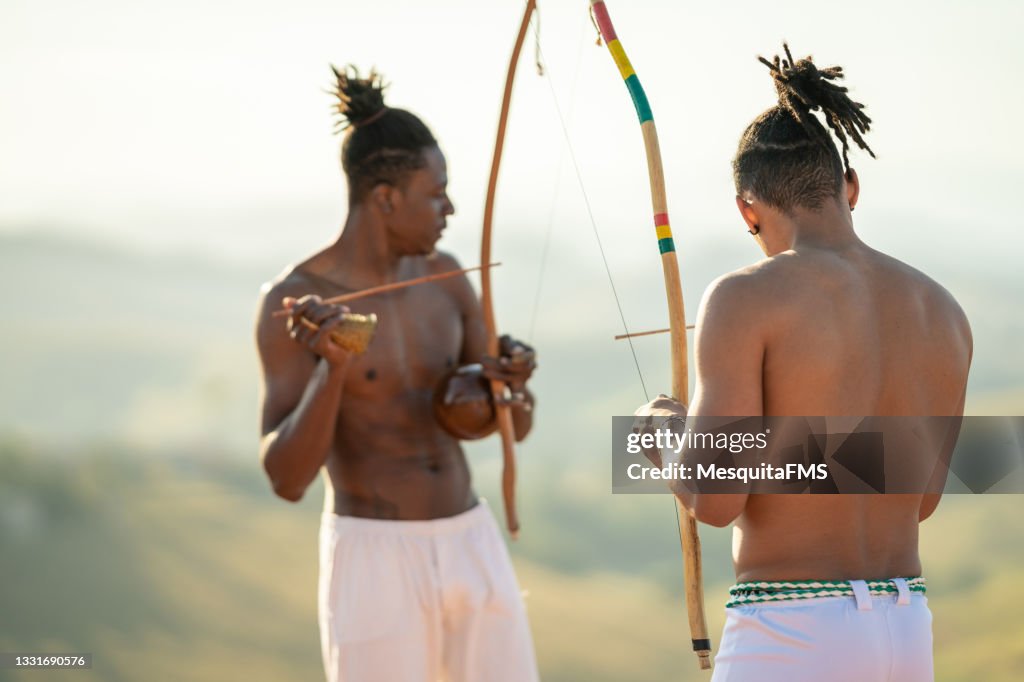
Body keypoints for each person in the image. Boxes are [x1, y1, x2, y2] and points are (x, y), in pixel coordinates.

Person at [634, 45, 972, 681]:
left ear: (747, 208)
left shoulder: (745, 296)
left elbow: (714, 497)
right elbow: (922, 499)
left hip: (791, 629)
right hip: (905, 628)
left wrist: (657, 431)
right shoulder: (942, 309)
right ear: (849, 186)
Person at [255, 66, 539, 682]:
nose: (451, 209)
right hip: (372, 556)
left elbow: (515, 425)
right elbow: (286, 479)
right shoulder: (297, 304)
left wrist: (513, 381)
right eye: (437, 194)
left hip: (470, 537)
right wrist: (333, 369)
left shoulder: (449, 279)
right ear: (385, 199)